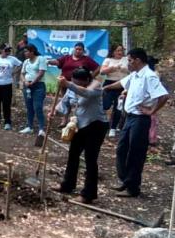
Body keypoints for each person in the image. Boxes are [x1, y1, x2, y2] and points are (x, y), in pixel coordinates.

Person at [104, 48, 169, 198]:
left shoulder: (149, 76)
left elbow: (163, 96)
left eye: (130, 60)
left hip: (140, 119)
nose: (128, 63)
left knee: (135, 152)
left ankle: (133, 187)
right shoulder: (135, 75)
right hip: (129, 117)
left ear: (138, 60)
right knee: (121, 149)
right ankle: (125, 179)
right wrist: (106, 87)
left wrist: (152, 111)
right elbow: (121, 83)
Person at [54, 69, 109, 204]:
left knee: (90, 159)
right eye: (73, 81)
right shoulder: (72, 86)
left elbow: (85, 93)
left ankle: (88, 194)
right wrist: (54, 111)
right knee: (73, 155)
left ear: (86, 80)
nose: (74, 84)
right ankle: (68, 184)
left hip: (96, 125)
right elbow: (66, 102)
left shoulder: (95, 85)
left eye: (77, 82)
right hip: (79, 125)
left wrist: (68, 84)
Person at [48, 42, 100, 127]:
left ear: (83, 51)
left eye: (80, 49)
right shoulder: (67, 58)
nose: (78, 51)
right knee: (66, 101)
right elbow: (57, 62)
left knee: (78, 103)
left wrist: (90, 77)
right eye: (77, 49)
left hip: (80, 86)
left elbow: (98, 68)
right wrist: (49, 61)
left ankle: (76, 121)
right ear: (74, 49)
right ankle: (65, 120)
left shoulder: (86, 60)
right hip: (65, 83)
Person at [100, 44, 129, 138]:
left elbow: (132, 70)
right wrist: (113, 68)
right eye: (117, 50)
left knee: (118, 108)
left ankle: (113, 128)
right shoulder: (108, 60)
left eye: (121, 50)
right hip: (109, 84)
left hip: (122, 85)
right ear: (113, 52)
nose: (120, 52)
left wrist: (124, 69)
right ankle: (103, 123)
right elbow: (102, 71)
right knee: (105, 105)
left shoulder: (126, 59)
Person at [19, 44, 47, 137]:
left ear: (32, 51)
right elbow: (22, 74)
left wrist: (33, 82)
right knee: (29, 107)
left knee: (37, 107)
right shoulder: (26, 61)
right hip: (27, 86)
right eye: (24, 51)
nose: (25, 53)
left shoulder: (40, 59)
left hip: (38, 86)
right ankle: (29, 127)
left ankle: (41, 129)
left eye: (27, 51)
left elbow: (41, 73)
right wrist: (25, 81)